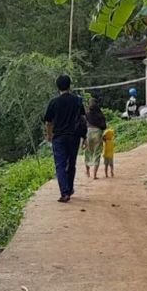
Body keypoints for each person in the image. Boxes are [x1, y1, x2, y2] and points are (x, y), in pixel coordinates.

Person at [44, 75, 85, 203]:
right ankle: (70, 188)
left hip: (59, 138)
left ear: (57, 86)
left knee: (60, 165)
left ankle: (64, 192)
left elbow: (48, 122)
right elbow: (83, 118)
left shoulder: (54, 102)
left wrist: (49, 136)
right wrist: (84, 136)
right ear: (69, 85)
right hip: (74, 137)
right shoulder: (77, 101)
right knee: (71, 163)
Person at [83, 98, 106, 179]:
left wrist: (83, 139)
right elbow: (104, 126)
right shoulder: (100, 114)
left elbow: (84, 125)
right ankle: (94, 175)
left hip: (88, 133)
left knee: (88, 153)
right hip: (98, 133)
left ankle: (87, 171)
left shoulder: (86, 114)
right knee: (97, 154)